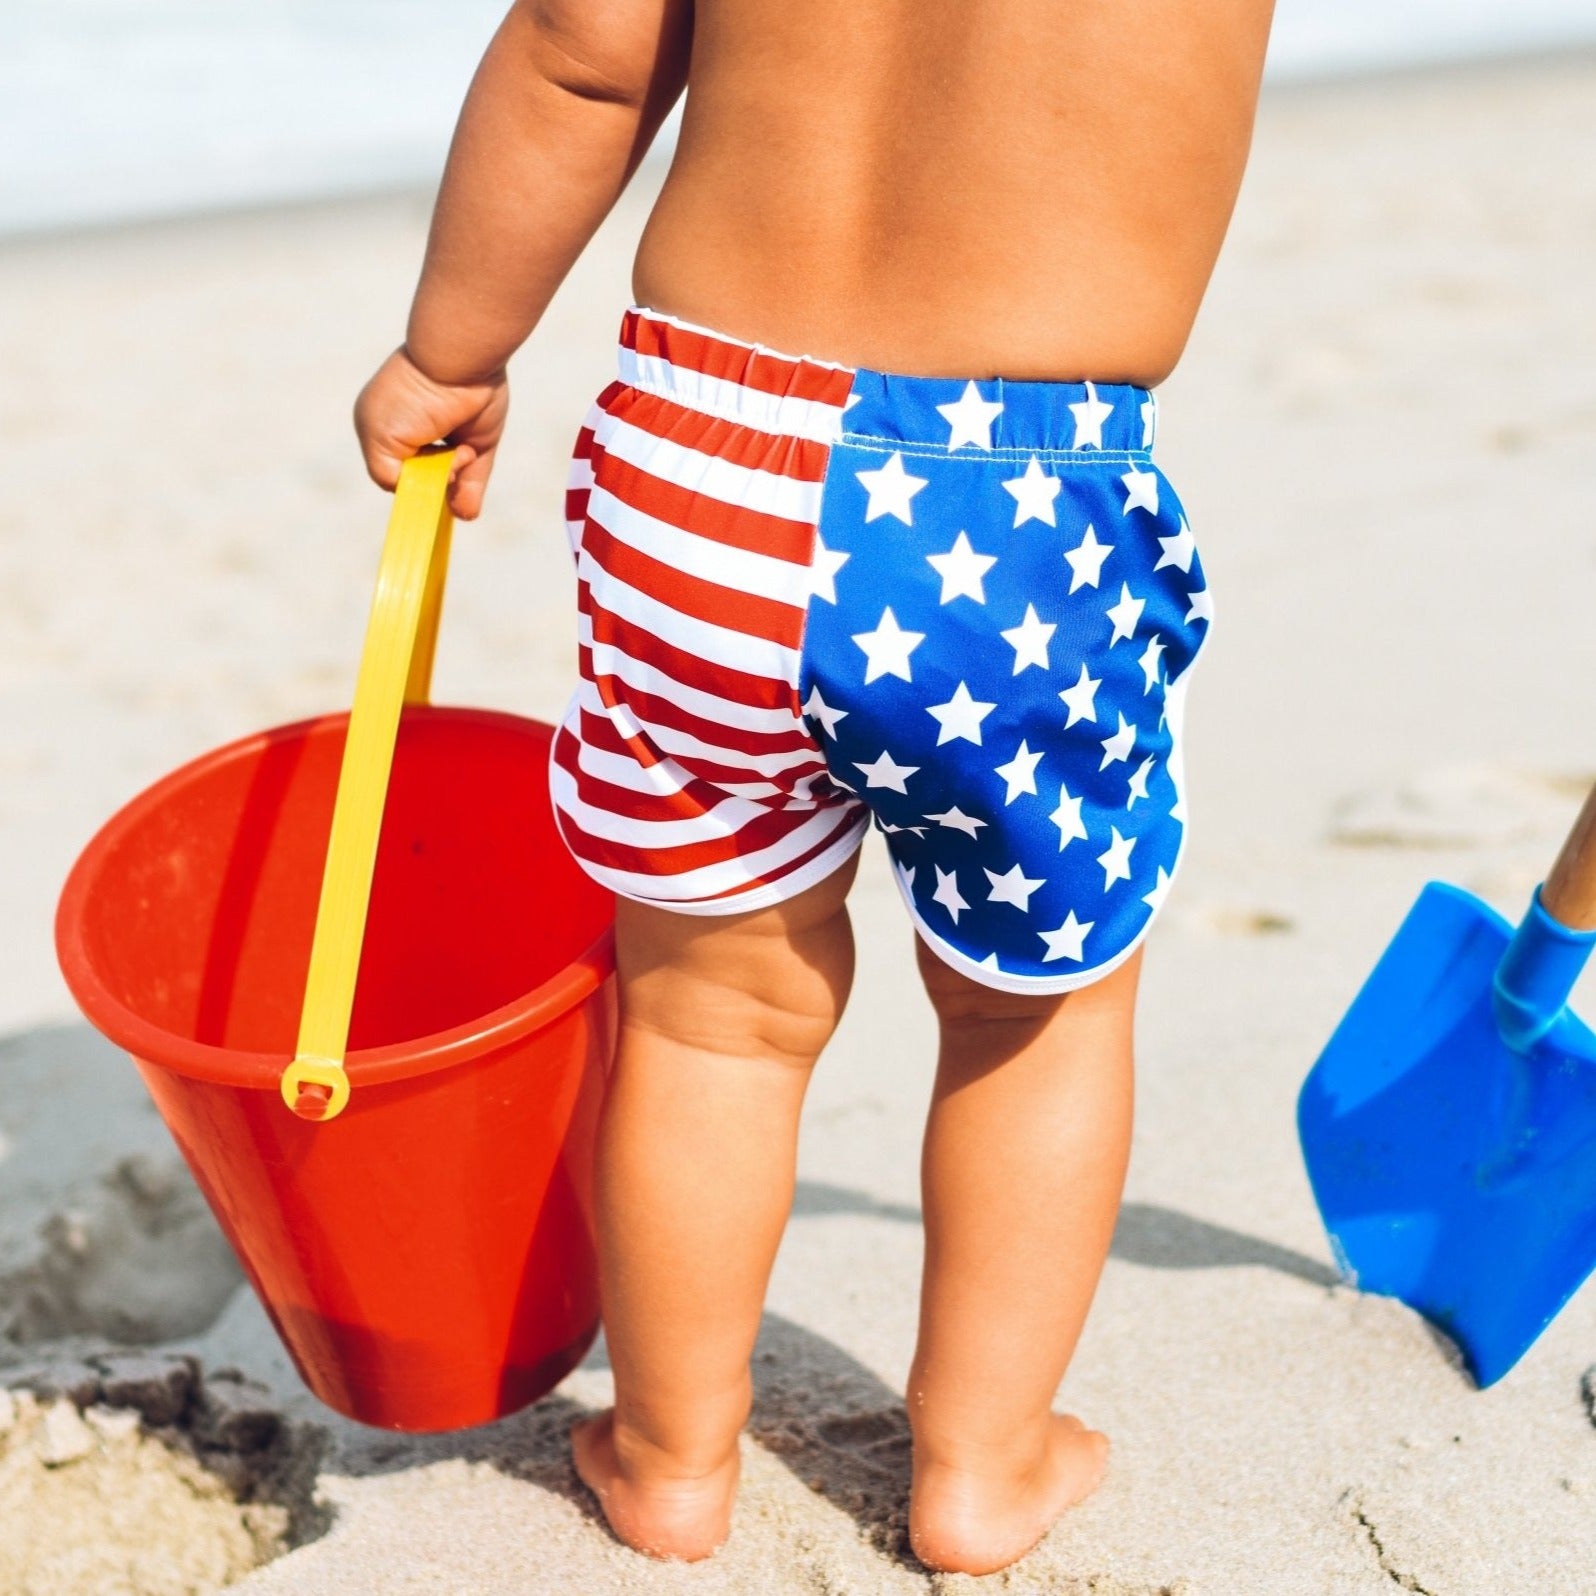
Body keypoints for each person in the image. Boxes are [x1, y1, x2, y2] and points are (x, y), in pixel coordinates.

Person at [354, 0, 1274, 1574]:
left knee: (713, 1012)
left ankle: (669, 1460)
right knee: (1031, 1013)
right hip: (1020, 508)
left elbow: (584, 50)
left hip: (699, 460)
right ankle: (982, 1469)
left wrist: (452, 351)